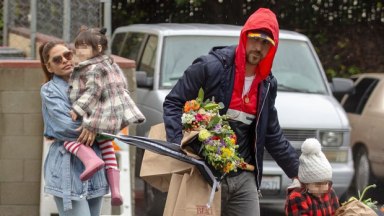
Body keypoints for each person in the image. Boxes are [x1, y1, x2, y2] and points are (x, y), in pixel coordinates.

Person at [163, 8, 299, 216]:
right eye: (255, 39)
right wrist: (178, 147)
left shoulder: (268, 84)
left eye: (266, 43)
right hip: (204, 174)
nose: (258, 48)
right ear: (244, 36)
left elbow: (272, 134)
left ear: (273, 48)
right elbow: (173, 102)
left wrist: (300, 173)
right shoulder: (211, 67)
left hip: (244, 179)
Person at [64, 26, 146, 206]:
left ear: (98, 48)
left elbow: (93, 91)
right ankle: (116, 190)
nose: (79, 50)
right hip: (111, 116)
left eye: (84, 46)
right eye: (78, 46)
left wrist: (77, 108)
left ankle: (91, 160)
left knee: (67, 139)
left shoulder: (93, 68)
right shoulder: (109, 64)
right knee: (107, 148)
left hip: (97, 116)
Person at [39, 41, 109, 215]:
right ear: (49, 67)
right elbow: (66, 127)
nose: (64, 60)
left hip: (96, 168)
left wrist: (95, 125)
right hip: (67, 169)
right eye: (57, 59)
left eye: (67, 55)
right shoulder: (49, 91)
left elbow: (114, 115)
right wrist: (95, 124)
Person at [285, 138, 340, 215]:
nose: (323, 188)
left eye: (325, 183)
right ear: (306, 183)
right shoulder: (297, 198)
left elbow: (337, 213)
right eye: (317, 185)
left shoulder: (330, 192)